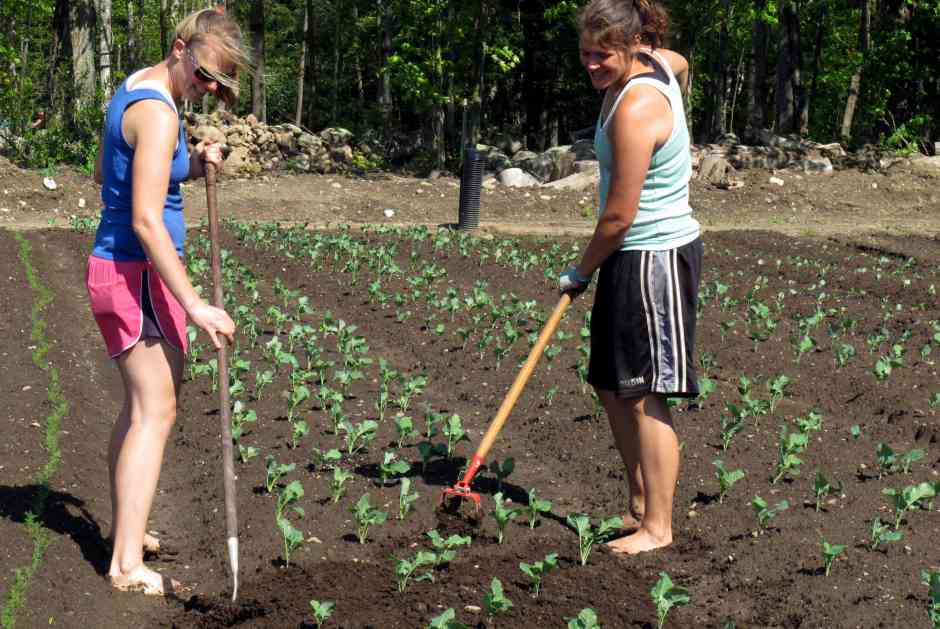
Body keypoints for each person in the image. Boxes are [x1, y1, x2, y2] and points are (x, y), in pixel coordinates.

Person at [86, 9, 250, 595]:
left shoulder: (137, 88)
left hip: (119, 269)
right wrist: (198, 305)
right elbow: (147, 221)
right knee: (156, 411)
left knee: (139, 407)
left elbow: (111, 169)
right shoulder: (157, 114)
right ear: (180, 49)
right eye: (206, 75)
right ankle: (126, 565)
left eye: (221, 85)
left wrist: (189, 161)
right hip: (137, 275)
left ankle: (126, 533)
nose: (210, 89)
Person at [558, 0, 702, 555]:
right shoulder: (658, 62)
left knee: (643, 394)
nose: (593, 65)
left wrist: (579, 271)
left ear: (631, 46)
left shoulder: (638, 108)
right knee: (611, 384)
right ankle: (640, 502)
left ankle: (658, 529)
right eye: (586, 54)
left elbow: (619, 216)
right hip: (629, 255)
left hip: (654, 257)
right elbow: (681, 62)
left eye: (604, 55)